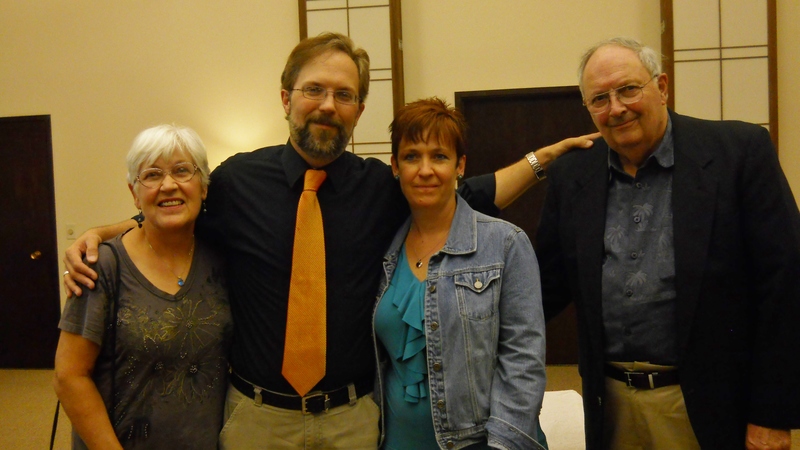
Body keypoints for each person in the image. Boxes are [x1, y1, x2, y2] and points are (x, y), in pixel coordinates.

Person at [63, 33, 596, 449]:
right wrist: (102, 233)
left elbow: (470, 191)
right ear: (285, 98)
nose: (327, 104)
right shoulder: (236, 181)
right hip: (255, 420)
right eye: (313, 89)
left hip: (354, 422)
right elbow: (172, 212)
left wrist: (542, 159)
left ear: (358, 111)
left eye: (344, 95)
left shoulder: (379, 188)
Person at [536, 36, 800, 450]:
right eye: (600, 98)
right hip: (612, 406)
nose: (616, 107)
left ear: (661, 86)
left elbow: (785, 287)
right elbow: (543, 288)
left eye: (628, 89)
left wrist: (772, 414)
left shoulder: (738, 153)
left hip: (710, 404)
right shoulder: (573, 177)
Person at [374, 98, 547, 450]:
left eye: (439, 156)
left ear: (460, 166)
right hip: (395, 441)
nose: (425, 170)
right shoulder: (381, 249)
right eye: (411, 156)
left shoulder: (505, 244)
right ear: (394, 166)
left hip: (480, 443)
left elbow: (523, 364)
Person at [53, 124, 233, 449]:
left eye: (182, 171)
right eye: (151, 175)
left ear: (203, 186)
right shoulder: (102, 266)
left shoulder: (221, 258)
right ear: (134, 193)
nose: (168, 185)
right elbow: (69, 378)